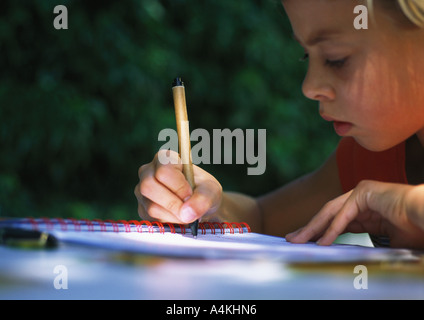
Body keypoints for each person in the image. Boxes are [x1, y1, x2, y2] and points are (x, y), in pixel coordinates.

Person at [134, 0, 424, 249]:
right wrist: (206, 205)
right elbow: (263, 218)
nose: (309, 87)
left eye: (336, 58)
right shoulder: (373, 159)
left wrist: (408, 205)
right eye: (307, 55)